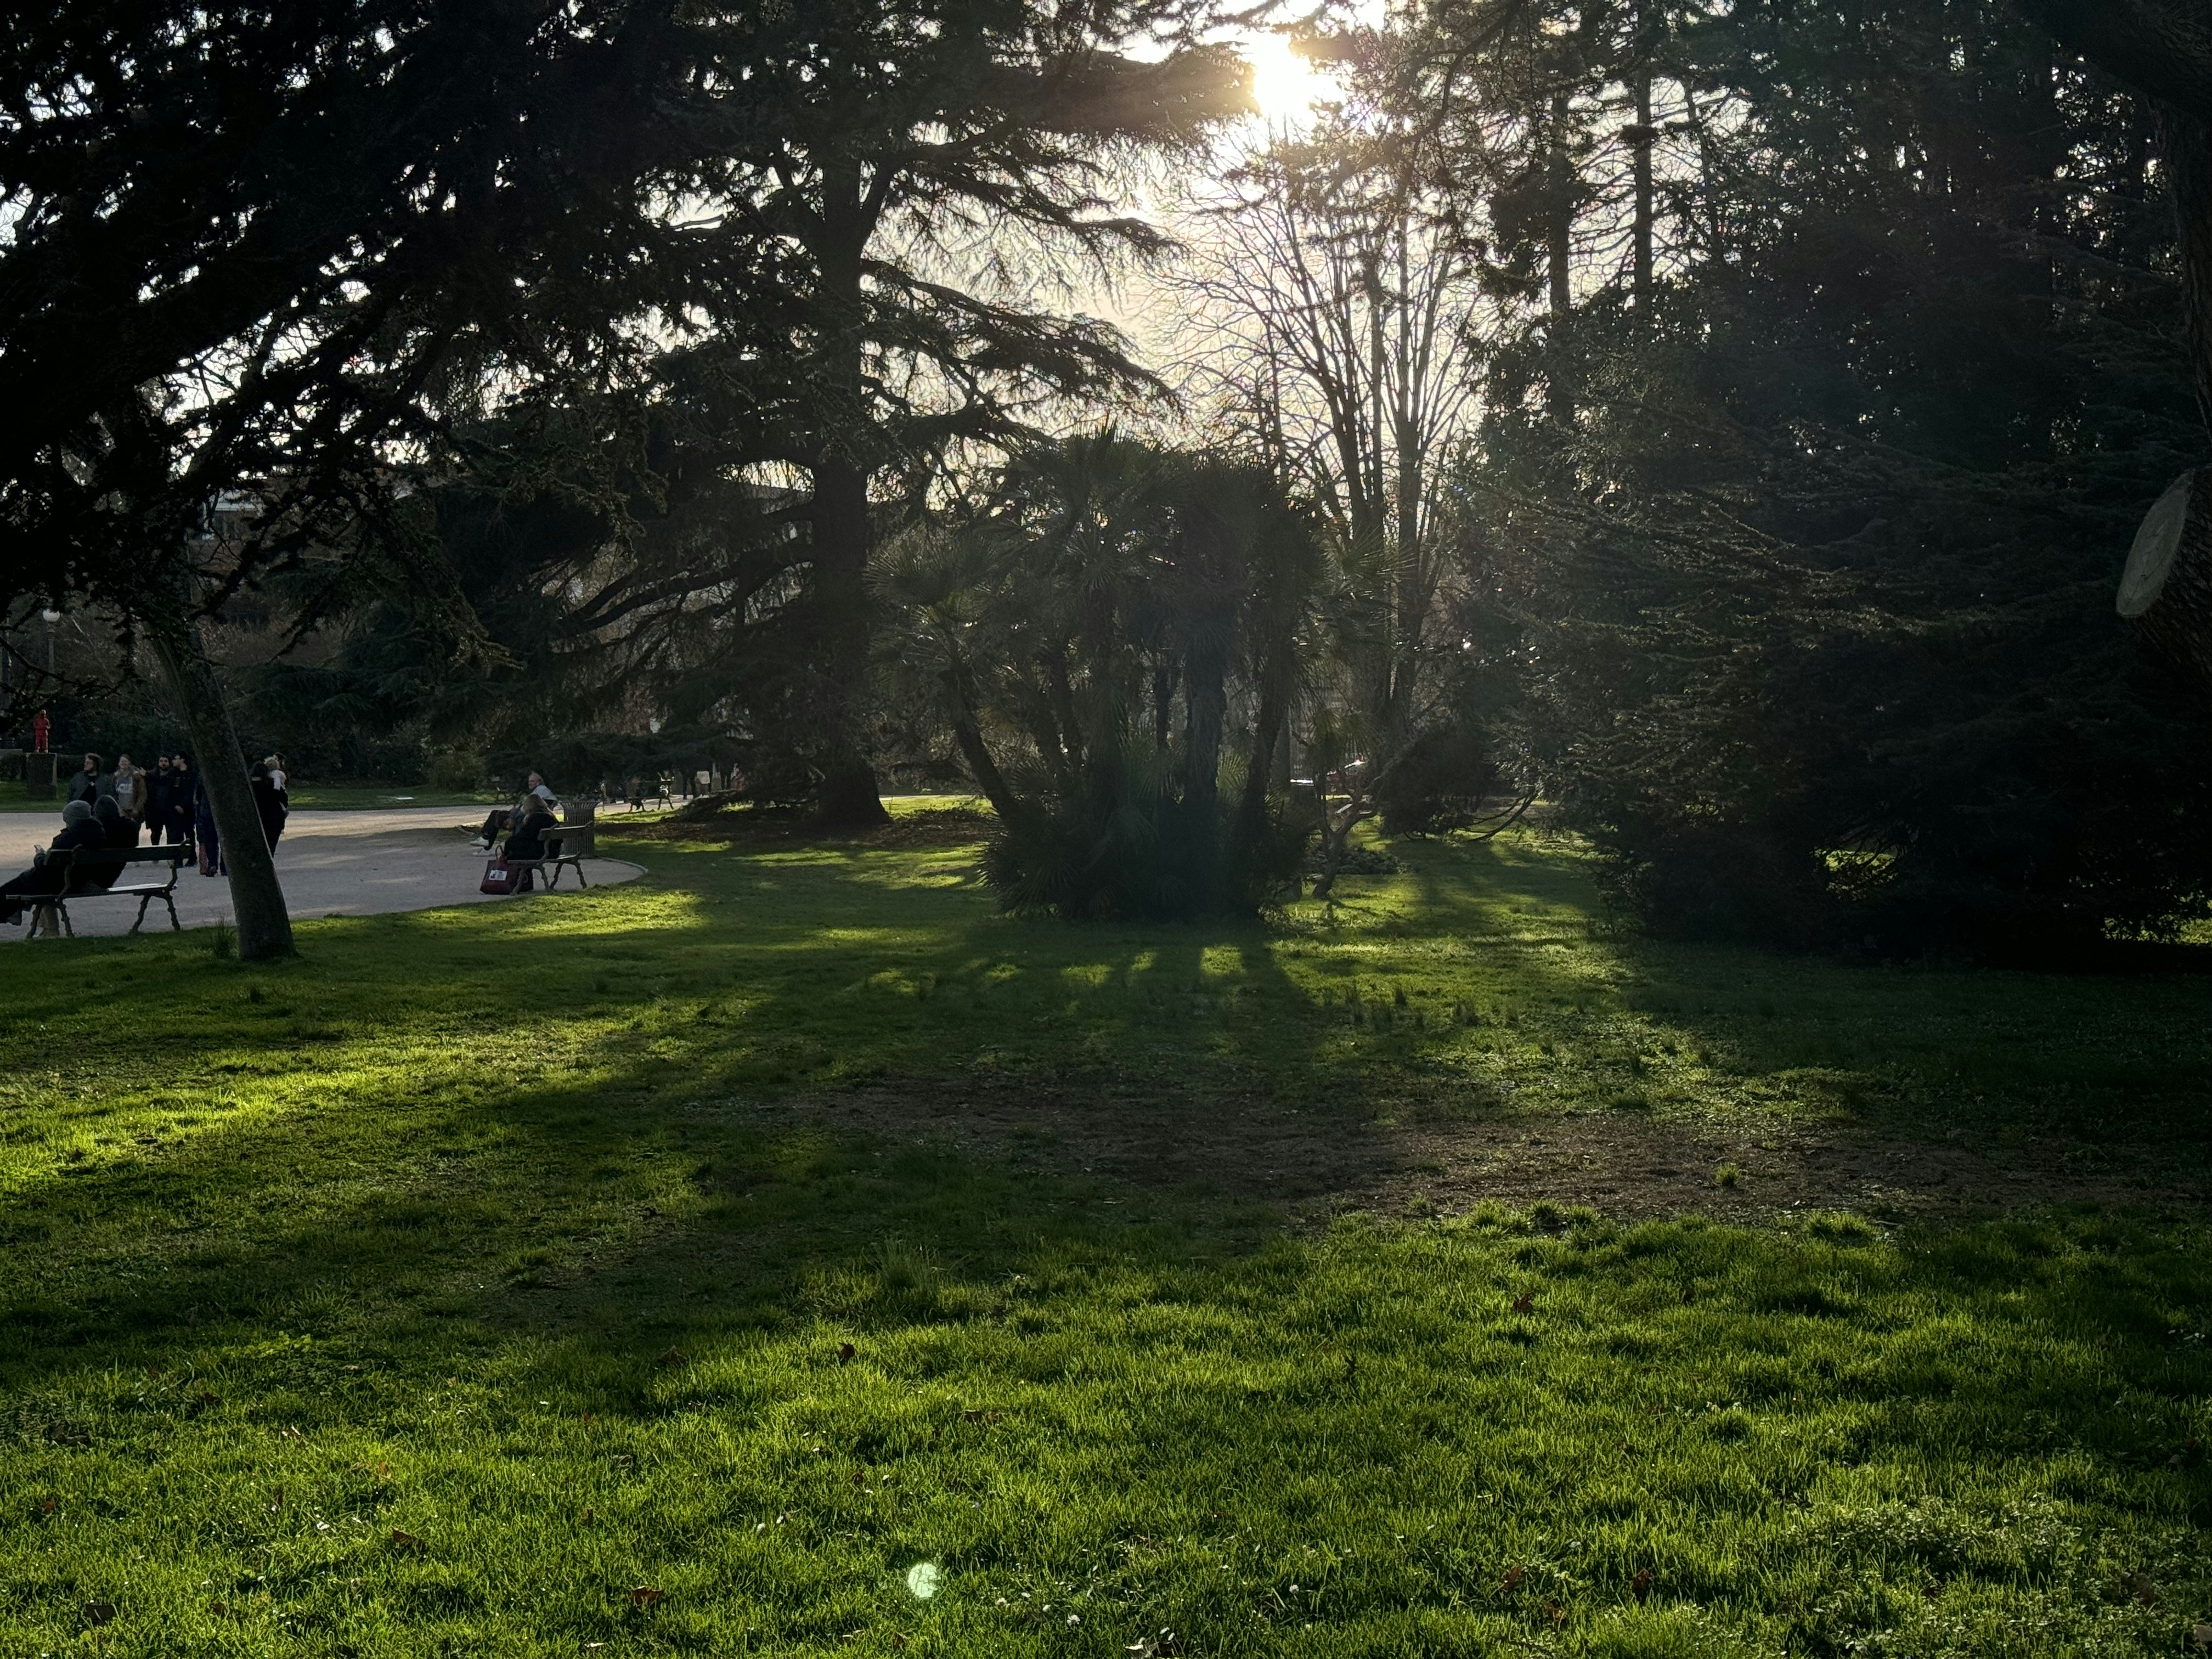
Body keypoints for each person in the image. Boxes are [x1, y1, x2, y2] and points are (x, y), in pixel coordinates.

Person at [0, 800, 105, 931]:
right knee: (23, 883)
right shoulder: (99, 833)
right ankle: (15, 911)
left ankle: (14, 912)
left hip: (59, 882)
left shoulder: (69, 838)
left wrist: (39, 855)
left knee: (14, 887)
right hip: (78, 879)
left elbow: (45, 865)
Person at [471, 772, 557, 849]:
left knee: (496, 815)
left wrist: (512, 816)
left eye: (532, 781)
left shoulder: (541, 790)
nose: (529, 783)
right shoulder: (541, 790)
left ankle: (486, 840)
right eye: (529, 781)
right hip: (525, 816)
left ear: (539, 782)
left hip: (524, 817)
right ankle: (486, 842)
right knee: (497, 815)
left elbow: (530, 806)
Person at [501, 792, 559, 891]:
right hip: (553, 851)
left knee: (513, 850)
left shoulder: (535, 819)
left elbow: (524, 836)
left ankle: (517, 883)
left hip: (541, 853)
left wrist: (507, 846)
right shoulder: (551, 817)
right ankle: (525, 883)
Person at [250, 760, 287, 855]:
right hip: (274, 818)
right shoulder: (270, 784)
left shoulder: (250, 787)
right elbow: (284, 798)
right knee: (271, 845)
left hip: (258, 817)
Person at [193, 769, 223, 876]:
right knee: (222, 839)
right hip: (220, 810)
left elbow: (198, 794)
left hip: (207, 810)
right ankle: (223, 866)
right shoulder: (224, 775)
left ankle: (212, 863)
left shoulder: (204, 774)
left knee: (210, 839)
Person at [169, 754, 196, 853]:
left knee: (189, 832)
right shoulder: (174, 774)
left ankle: (192, 855)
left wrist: (183, 805)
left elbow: (190, 792)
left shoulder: (190, 774)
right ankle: (178, 856)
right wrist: (175, 805)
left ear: (182, 760)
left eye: (176, 759)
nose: (174, 761)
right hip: (175, 808)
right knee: (176, 834)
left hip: (187, 809)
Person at [112, 754, 147, 824]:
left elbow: (143, 794)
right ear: (119, 763)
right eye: (122, 761)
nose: (123, 763)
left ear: (129, 763)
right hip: (120, 810)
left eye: (125, 761)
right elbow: (113, 792)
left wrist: (137, 808)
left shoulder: (136, 776)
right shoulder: (115, 776)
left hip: (133, 810)